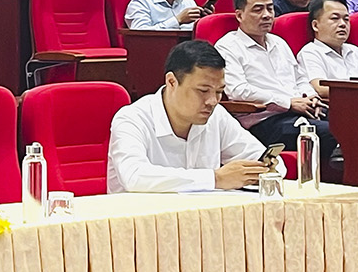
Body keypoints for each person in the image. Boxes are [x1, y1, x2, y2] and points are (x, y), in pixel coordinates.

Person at [105, 40, 279, 193]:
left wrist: (264, 169)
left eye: (219, 91)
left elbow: (263, 157)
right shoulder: (132, 119)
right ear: (172, 82)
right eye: (203, 91)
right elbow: (134, 176)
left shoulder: (217, 115)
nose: (212, 101)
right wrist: (216, 179)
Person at [214, 0, 336, 164]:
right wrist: (288, 103)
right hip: (265, 122)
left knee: (356, 122)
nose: (267, 15)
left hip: (302, 111)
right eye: (258, 10)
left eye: (270, 9)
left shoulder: (278, 42)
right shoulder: (227, 46)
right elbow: (238, 91)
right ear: (239, 15)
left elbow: (300, 77)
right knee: (334, 132)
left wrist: (310, 97)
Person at [297, 0, 358, 97]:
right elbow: (321, 89)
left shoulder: (354, 50)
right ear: (315, 25)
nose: (342, 24)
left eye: (346, 19)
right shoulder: (310, 52)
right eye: (335, 18)